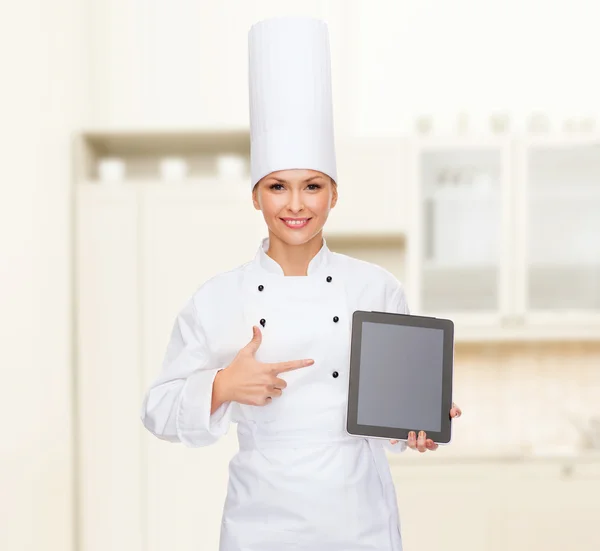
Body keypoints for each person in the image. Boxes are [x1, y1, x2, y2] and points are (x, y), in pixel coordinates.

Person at [140, 15, 462, 551]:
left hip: (358, 515)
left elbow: (389, 419)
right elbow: (157, 410)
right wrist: (221, 386)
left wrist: (417, 424)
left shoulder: (376, 288)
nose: (295, 205)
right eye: (276, 187)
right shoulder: (219, 298)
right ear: (254, 195)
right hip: (262, 521)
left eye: (312, 186)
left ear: (333, 194)